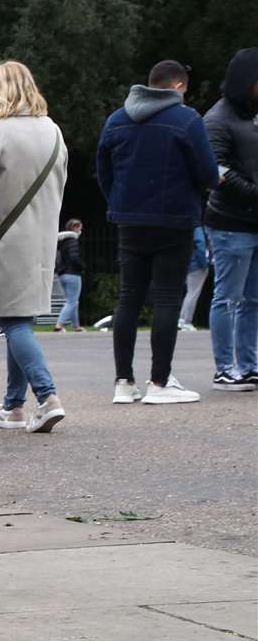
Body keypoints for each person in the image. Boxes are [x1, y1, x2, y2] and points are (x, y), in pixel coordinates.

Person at [97, 59, 219, 402]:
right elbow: (208, 173)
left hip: (129, 218)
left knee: (129, 297)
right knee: (167, 297)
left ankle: (124, 382)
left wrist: (121, 201)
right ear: (177, 86)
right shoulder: (186, 119)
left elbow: (103, 169)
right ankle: (160, 382)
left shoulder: (117, 119)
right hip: (173, 218)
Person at [0, 62, 70, 432]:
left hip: (1, 242)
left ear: (4, 92)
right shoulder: (53, 131)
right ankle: (13, 406)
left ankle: (48, 397)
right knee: (18, 319)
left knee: (13, 323)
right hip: (41, 242)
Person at [202, 47, 258, 389]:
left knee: (253, 299)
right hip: (230, 224)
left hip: (254, 222)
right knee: (227, 297)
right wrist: (254, 193)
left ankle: (249, 366)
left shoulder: (252, 114)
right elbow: (217, 170)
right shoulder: (217, 118)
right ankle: (225, 368)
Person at [54, 219, 84, 331]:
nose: (81, 230)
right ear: (75, 228)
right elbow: (74, 257)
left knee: (73, 301)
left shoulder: (62, 242)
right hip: (73, 274)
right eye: (80, 227)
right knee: (72, 301)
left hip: (62, 274)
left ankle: (77, 326)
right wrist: (82, 266)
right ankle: (59, 325)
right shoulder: (72, 241)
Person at [181, 226, 211, 330]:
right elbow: (200, 244)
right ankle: (185, 320)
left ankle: (182, 319)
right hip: (197, 265)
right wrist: (204, 264)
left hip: (188, 262)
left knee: (190, 292)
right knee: (193, 293)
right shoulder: (197, 228)